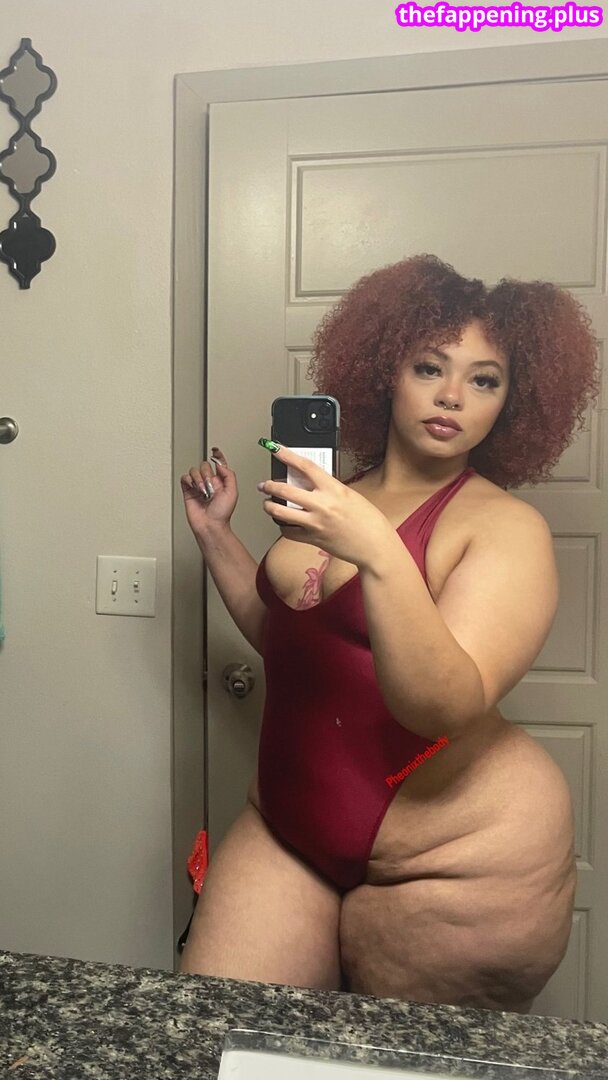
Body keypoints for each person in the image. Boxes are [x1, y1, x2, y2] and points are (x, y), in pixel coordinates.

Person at [178, 254, 600, 1012]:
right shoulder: (336, 498)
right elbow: (292, 641)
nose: (451, 396)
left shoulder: (506, 528)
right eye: (429, 367)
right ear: (384, 373)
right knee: (219, 1034)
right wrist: (215, 535)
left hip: (457, 861)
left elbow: (444, 707)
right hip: (287, 833)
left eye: (484, 380)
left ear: (514, 401)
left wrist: (378, 550)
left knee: (404, 1062)